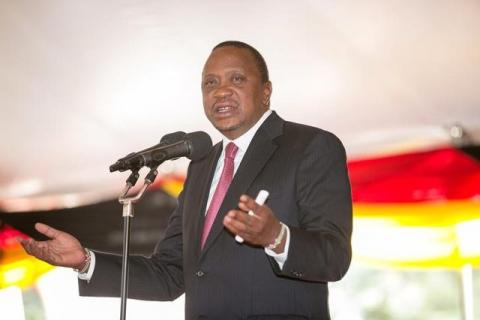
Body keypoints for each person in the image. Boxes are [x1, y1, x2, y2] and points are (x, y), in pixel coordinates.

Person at [20, 41, 352, 319]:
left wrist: (276, 236)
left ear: (266, 92)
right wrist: (85, 261)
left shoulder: (310, 147)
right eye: (210, 83)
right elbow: (170, 274)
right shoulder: (202, 165)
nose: (221, 91)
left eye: (236, 79)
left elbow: (334, 258)